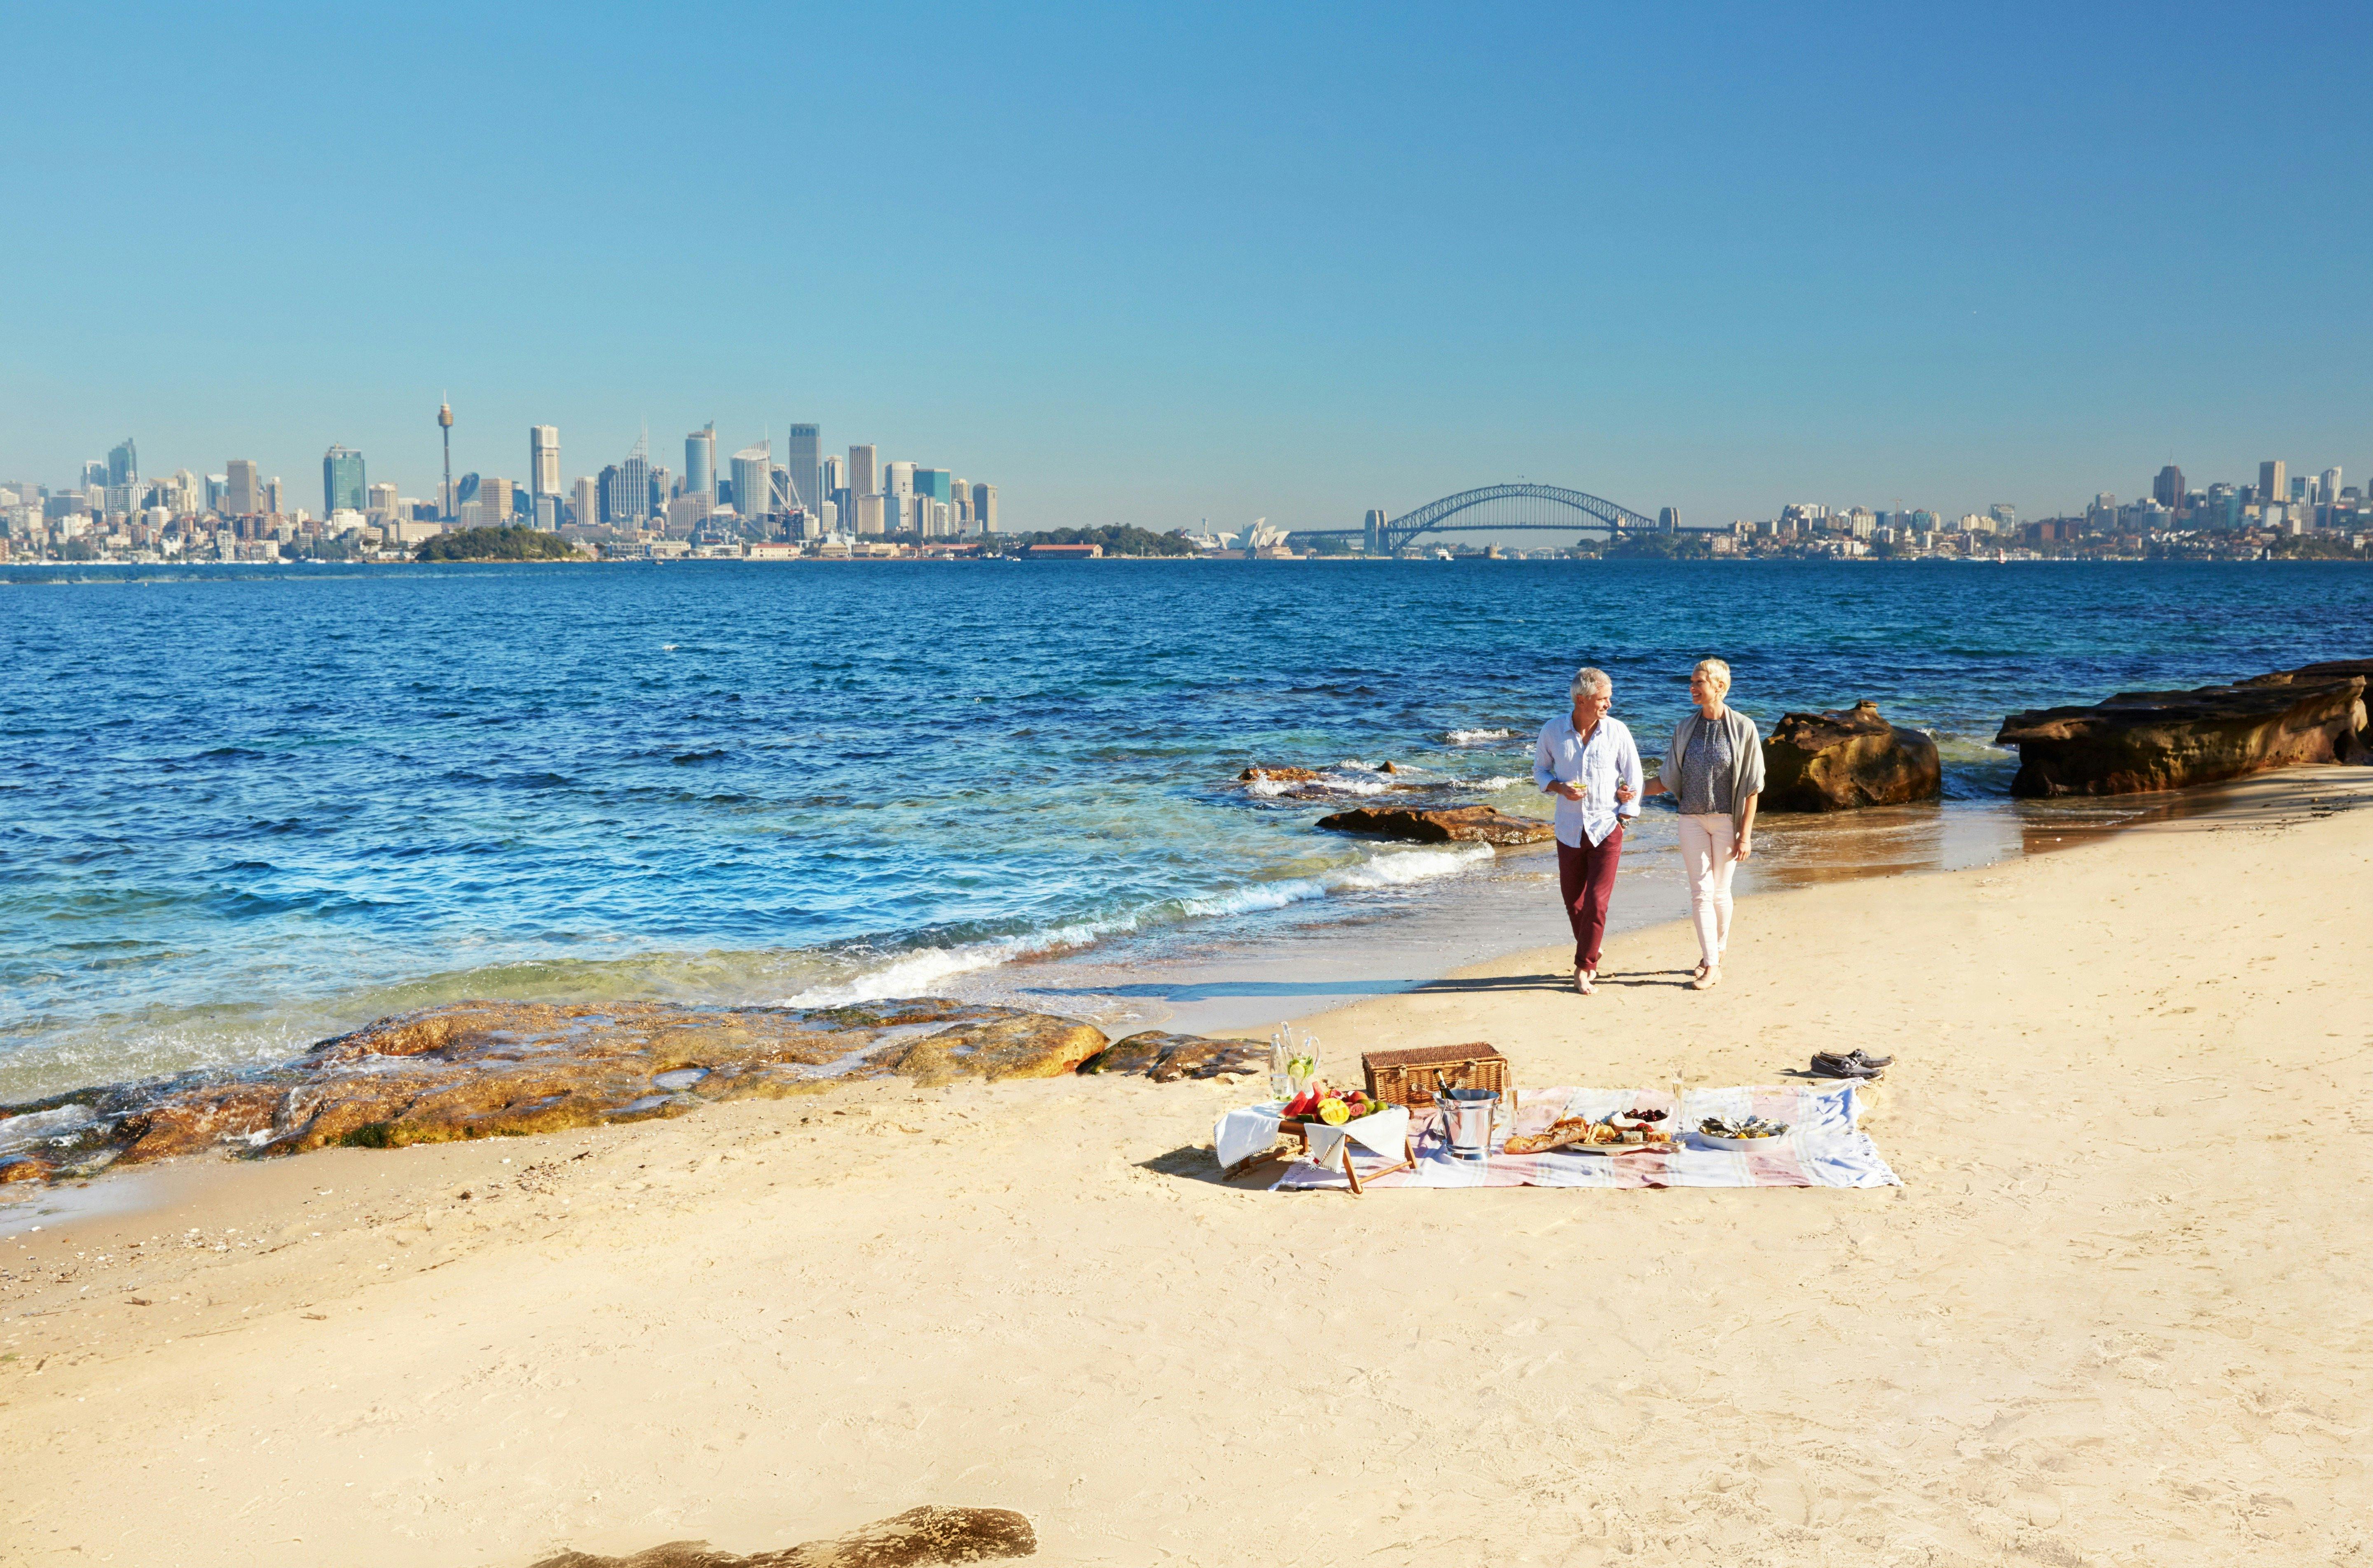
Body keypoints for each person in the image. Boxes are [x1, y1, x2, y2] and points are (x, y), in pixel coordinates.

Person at [1640, 657, 1764, 991]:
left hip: (1727, 820)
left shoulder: (1744, 728)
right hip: (1690, 818)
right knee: (1701, 892)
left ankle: (1719, 950)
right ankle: (1711, 964)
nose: (1692, 688)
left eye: (1699, 683)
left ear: (1719, 686)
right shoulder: (1685, 728)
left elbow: (1753, 787)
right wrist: (1630, 790)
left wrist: (1745, 836)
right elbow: (1666, 780)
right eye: (1692, 682)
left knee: (1721, 893)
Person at [1533, 666, 1643, 996]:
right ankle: (1592, 947)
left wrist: (1625, 814)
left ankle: (1584, 968)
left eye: (1609, 698)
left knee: (1597, 901)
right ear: (1581, 699)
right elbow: (1539, 770)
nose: (1609, 704)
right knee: (1574, 902)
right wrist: (1558, 787)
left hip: (1607, 825)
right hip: (1568, 829)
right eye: (1603, 699)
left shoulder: (1618, 731)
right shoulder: (1553, 731)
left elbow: (1634, 777)